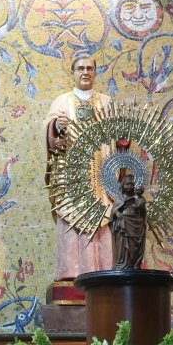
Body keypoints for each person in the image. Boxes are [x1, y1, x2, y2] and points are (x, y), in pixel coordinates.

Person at [44, 55, 114, 282]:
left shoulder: (106, 102)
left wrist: (123, 141)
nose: (85, 72)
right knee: (71, 218)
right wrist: (57, 127)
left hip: (100, 176)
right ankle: (71, 273)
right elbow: (50, 136)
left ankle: (101, 271)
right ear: (73, 73)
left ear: (95, 72)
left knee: (103, 218)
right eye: (80, 68)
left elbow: (118, 138)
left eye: (90, 68)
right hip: (71, 178)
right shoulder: (62, 102)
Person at [110, 169, 147, 270]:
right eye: (127, 184)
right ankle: (122, 264)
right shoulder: (120, 199)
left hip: (136, 226)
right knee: (123, 246)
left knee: (135, 248)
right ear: (122, 185)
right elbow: (114, 211)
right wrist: (117, 213)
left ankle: (134, 264)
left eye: (132, 184)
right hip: (123, 226)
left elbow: (143, 212)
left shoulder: (137, 199)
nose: (130, 186)